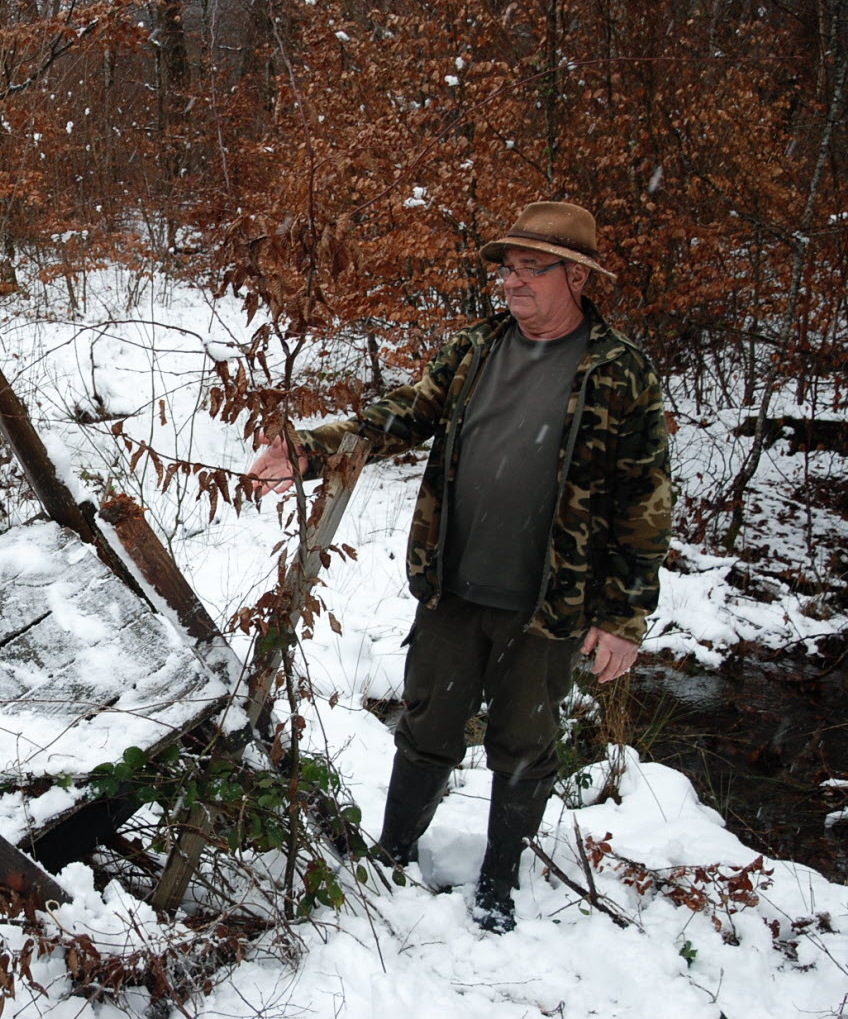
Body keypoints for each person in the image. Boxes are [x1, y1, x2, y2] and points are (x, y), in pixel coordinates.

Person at [249, 201, 672, 933]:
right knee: (427, 726)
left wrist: (624, 614)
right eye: (506, 267)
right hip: (452, 587)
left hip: (549, 602)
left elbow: (645, 500)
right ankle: (394, 851)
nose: (509, 282)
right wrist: (314, 448)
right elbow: (405, 410)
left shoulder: (621, 372)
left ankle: (501, 877)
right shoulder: (477, 348)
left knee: (525, 743)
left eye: (528, 268)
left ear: (575, 275)